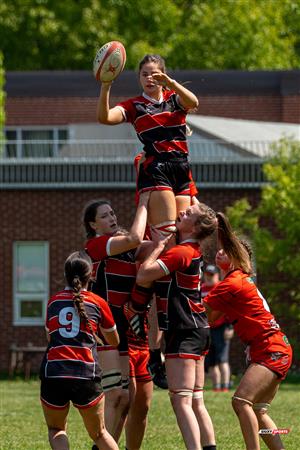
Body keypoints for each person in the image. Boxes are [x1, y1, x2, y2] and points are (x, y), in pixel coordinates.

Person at [127, 202, 218, 450]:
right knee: (196, 400)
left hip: (185, 331)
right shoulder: (190, 250)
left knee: (181, 401)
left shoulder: (182, 252)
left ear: (196, 227)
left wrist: (156, 247)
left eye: (188, 214)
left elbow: (143, 275)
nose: (182, 212)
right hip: (199, 329)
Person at [203, 213, 293, 450]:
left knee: (241, 401)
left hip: (271, 348)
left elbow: (203, 314)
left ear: (237, 256)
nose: (220, 251)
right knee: (258, 411)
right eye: (220, 248)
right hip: (274, 347)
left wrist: (221, 223)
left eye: (226, 249)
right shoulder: (235, 281)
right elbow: (211, 318)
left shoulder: (232, 282)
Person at [96, 53, 199, 238]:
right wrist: (106, 86)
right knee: (167, 233)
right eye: (144, 74)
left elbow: (194, 102)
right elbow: (105, 118)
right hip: (158, 168)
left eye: (155, 74)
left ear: (164, 75)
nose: (149, 78)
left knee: (185, 234)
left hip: (181, 167)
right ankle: (154, 266)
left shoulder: (174, 99)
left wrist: (171, 83)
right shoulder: (134, 106)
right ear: (139, 78)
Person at [83, 192, 150, 444]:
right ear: (93, 225)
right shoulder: (96, 245)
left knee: (128, 401)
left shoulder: (126, 248)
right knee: (118, 397)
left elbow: (152, 246)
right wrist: (144, 201)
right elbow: (136, 237)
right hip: (105, 327)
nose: (111, 217)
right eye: (104, 215)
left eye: (112, 213)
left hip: (129, 328)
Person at [40, 251, 119, 450]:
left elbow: (50, 337)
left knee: (56, 429)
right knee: (100, 433)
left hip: (54, 373)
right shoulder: (98, 302)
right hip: (86, 374)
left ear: (65, 274)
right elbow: (114, 340)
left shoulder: (54, 301)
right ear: (91, 275)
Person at [202, 264, 233, 392]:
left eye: (212, 275)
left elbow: (229, 309)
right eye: (207, 275)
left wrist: (230, 327)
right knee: (211, 361)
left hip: (221, 328)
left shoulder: (221, 287)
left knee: (222, 359)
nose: (209, 278)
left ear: (217, 275)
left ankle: (225, 387)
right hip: (206, 328)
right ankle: (216, 387)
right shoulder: (201, 288)